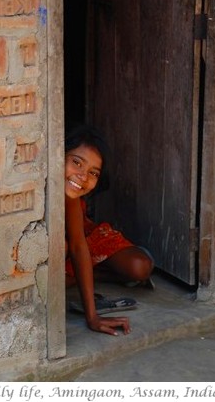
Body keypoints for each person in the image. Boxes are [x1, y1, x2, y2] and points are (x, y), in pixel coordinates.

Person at [64, 124, 154, 336]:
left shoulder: (72, 199)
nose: (82, 177)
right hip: (61, 249)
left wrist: (92, 317)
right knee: (58, 259)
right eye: (76, 162)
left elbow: (79, 246)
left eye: (93, 173)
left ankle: (86, 272)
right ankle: (88, 274)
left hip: (82, 238)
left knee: (139, 268)